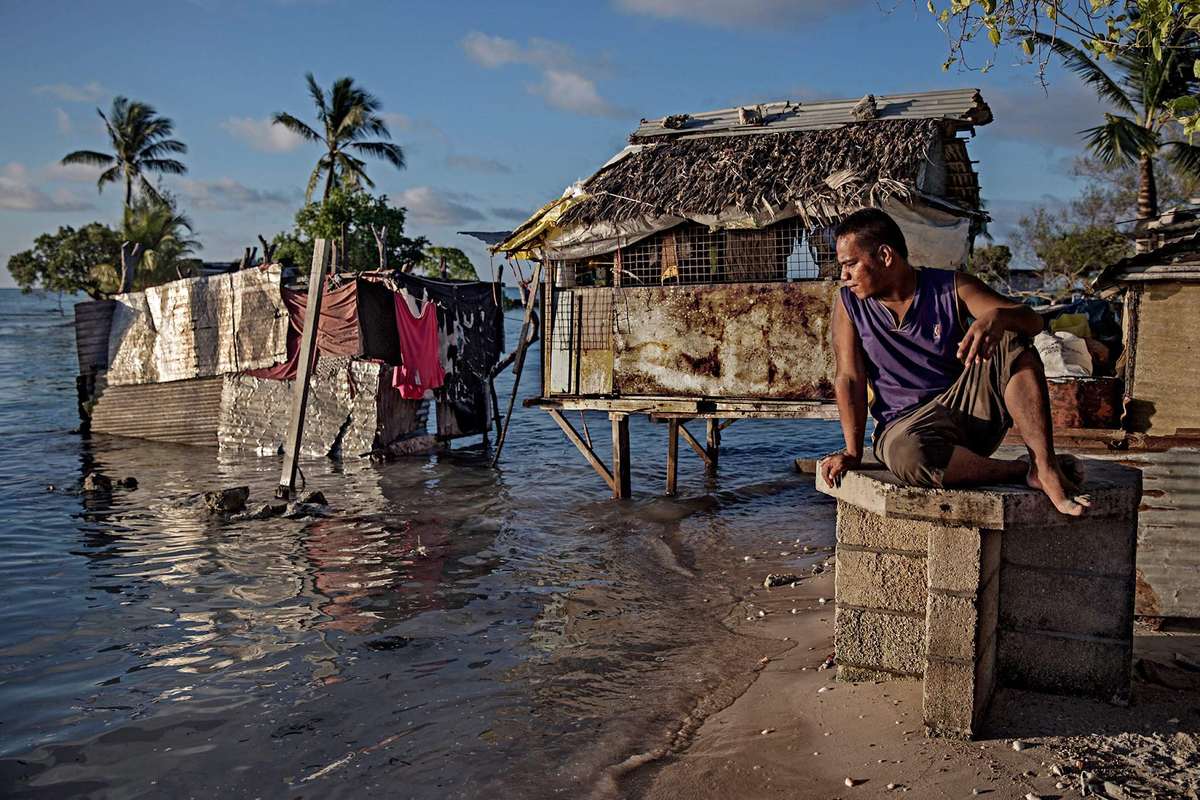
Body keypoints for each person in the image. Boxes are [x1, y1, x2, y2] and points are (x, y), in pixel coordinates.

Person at [818, 208, 1090, 516]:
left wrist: (998, 318)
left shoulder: (951, 287)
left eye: (851, 264)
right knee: (910, 455)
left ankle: (1044, 464)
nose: (844, 276)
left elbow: (1032, 321)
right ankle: (1021, 470)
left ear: (885, 255)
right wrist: (852, 452)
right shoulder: (849, 304)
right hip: (904, 430)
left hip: (967, 415)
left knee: (1011, 337)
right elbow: (849, 378)